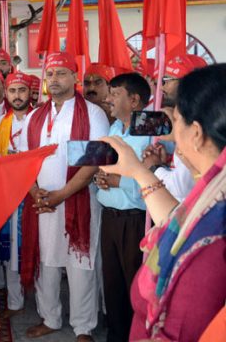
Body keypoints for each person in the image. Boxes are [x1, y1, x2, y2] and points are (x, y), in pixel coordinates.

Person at [99, 64, 226, 341]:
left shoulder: (211, 244)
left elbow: (180, 328)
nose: (168, 125)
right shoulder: (213, 194)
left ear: (195, 133)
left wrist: (145, 171)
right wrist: (140, 171)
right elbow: (177, 220)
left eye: (175, 118)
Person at [20, 52, 109, 341]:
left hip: (77, 199)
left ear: (74, 77)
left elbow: (93, 161)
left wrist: (62, 194)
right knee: (46, 259)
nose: (54, 79)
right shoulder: (35, 116)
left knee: (79, 262)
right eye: (50, 74)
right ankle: (50, 318)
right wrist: (35, 191)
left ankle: (84, 326)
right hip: (42, 201)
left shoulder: (92, 113)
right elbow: (24, 161)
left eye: (61, 73)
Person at [92, 72, 151, 342]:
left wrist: (120, 182)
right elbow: (106, 166)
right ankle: (116, 335)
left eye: (115, 94)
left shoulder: (152, 128)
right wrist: (101, 178)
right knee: (112, 284)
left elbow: (159, 176)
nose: (107, 98)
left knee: (136, 286)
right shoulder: (114, 128)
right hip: (111, 217)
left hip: (137, 219)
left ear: (135, 100)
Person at [0, 72, 35, 318]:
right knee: (10, 251)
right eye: (13, 91)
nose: (17, 96)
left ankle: (43, 305)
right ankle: (15, 304)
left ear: (30, 93)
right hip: (9, 196)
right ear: (6, 94)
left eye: (22, 90)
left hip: (36, 194)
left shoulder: (40, 119)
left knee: (34, 247)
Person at [142, 54, 207, 202]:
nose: (161, 86)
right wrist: (165, 163)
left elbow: (181, 187)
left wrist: (154, 168)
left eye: (166, 80)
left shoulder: (195, 124)